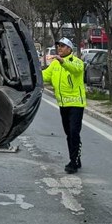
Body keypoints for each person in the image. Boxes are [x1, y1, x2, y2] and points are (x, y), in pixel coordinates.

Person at [42, 38, 86, 174]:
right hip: (63, 104)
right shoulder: (54, 64)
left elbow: (75, 70)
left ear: (69, 49)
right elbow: (44, 76)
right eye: (58, 46)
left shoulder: (77, 62)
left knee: (74, 132)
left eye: (62, 46)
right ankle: (76, 158)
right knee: (69, 134)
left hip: (76, 104)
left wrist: (62, 61)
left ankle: (73, 162)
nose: (59, 48)